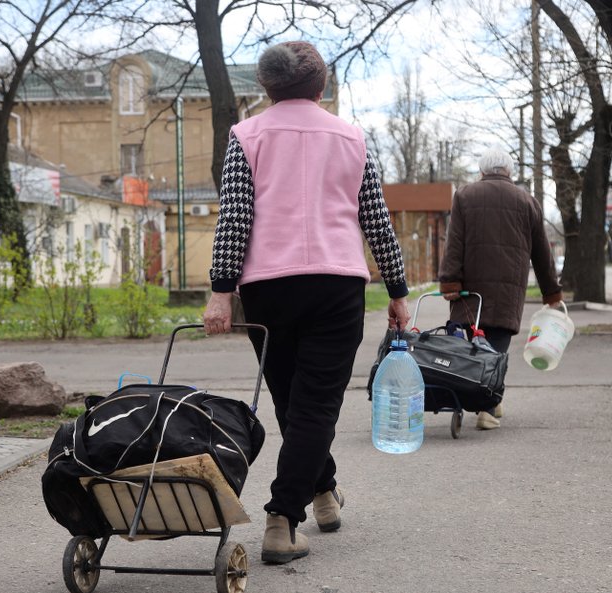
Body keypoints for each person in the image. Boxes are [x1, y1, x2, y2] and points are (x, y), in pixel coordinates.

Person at [202, 41, 411, 565]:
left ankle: (322, 494)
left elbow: (235, 220)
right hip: (336, 284)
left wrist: (221, 292)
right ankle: (282, 519)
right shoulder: (352, 137)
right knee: (314, 405)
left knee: (294, 404)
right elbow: (376, 220)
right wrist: (399, 291)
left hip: (267, 288)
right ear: (319, 88)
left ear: (267, 88)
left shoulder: (245, 136)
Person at [438, 145, 562, 430]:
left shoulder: (465, 196)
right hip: (507, 291)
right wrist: (551, 293)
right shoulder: (526, 201)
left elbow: (454, 241)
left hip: (469, 292)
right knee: (496, 350)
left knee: (470, 348)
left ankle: (475, 399)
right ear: (509, 172)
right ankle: (488, 407)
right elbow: (542, 253)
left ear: (482, 171)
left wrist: (450, 281)